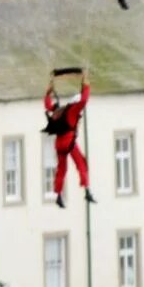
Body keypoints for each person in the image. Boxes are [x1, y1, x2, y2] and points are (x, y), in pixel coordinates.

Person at [44, 72, 94, 208]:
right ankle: (87, 190)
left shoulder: (58, 110)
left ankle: (58, 194)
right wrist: (86, 85)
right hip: (68, 142)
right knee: (81, 163)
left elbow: (47, 105)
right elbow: (83, 100)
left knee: (62, 169)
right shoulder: (73, 110)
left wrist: (48, 92)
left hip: (59, 144)